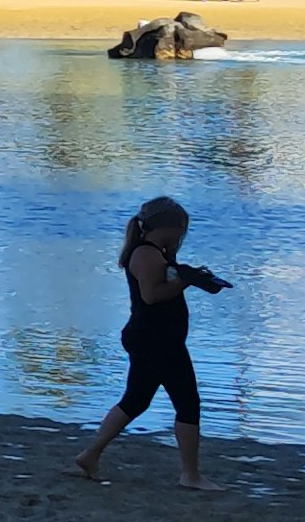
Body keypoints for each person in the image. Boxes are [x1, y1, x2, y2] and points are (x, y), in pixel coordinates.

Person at [72, 195, 233, 488]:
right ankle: (190, 475)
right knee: (187, 403)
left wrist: (185, 272)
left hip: (156, 338)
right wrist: (187, 281)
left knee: (136, 400)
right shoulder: (146, 254)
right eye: (181, 229)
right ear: (168, 227)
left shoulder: (157, 252)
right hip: (156, 340)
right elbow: (151, 296)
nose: (182, 235)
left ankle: (90, 454)